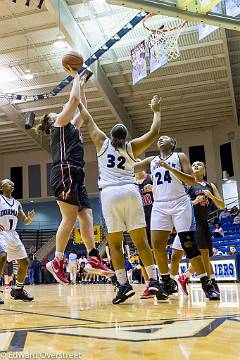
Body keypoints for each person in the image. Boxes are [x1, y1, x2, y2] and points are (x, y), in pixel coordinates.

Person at [82, 94, 168, 304]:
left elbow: (87, 119)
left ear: (110, 135)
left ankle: (123, 284)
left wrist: (79, 95)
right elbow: (154, 132)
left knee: (115, 245)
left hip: (110, 194)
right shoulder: (132, 147)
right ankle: (154, 281)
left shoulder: (101, 142)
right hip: (131, 192)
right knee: (141, 242)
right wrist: (156, 110)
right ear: (126, 136)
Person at [35, 68, 114, 285]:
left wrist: (83, 84)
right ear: (51, 122)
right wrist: (75, 79)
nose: (57, 112)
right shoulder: (59, 123)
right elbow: (74, 98)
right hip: (64, 171)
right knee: (69, 218)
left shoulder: (72, 126)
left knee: (86, 216)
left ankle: (93, 257)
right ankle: (57, 260)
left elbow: (82, 106)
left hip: (76, 173)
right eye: (53, 114)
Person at [135, 137, 219, 300]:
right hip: (159, 205)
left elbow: (191, 180)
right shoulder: (152, 160)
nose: (161, 139)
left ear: (172, 144)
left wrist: (169, 168)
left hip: (180, 203)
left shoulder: (180, 157)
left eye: (165, 138)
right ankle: (166, 281)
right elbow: (134, 166)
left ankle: (206, 283)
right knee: (157, 245)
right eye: (159, 138)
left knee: (188, 245)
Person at [170, 161, 224, 295]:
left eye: (199, 165)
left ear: (204, 171)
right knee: (204, 255)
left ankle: (185, 276)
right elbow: (181, 203)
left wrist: (211, 197)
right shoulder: (188, 185)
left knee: (207, 257)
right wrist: (195, 201)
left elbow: (222, 205)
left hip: (204, 223)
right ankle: (211, 285)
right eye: (193, 165)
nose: (195, 166)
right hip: (193, 222)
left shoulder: (211, 186)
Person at [0, 179, 35, 303]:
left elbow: (25, 220)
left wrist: (29, 219)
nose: (12, 184)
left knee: (25, 263)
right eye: (8, 183)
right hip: (1, 233)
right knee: (2, 256)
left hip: (13, 233)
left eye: (12, 183)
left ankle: (18, 290)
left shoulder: (17, 203)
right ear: (1, 187)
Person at [135, 169, 155, 299]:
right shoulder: (131, 183)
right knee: (142, 254)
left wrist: (154, 189)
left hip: (155, 218)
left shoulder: (151, 178)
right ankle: (148, 284)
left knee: (157, 251)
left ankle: (164, 280)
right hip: (138, 222)